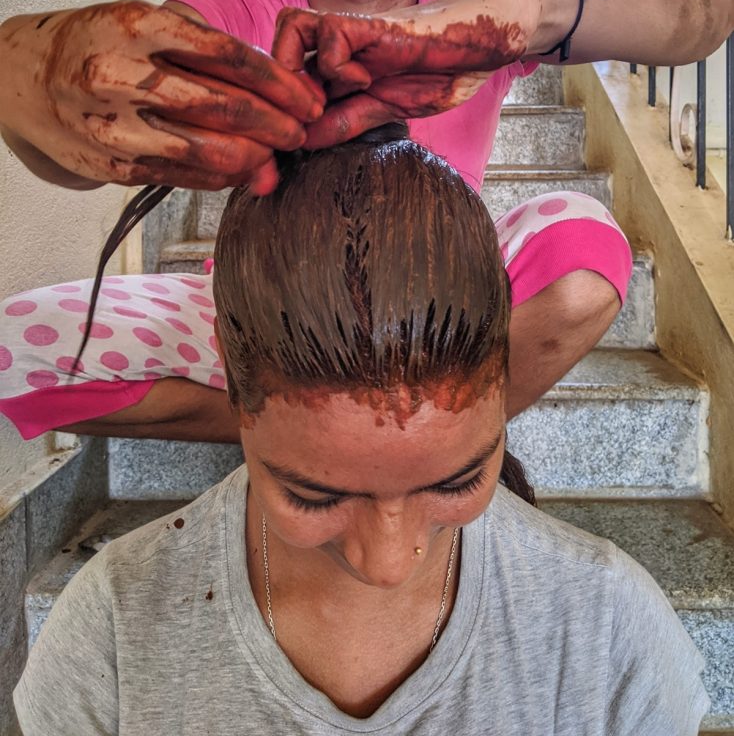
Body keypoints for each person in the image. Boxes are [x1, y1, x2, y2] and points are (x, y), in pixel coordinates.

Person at [0, 0, 732, 442]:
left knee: (585, 244)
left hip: (447, 318)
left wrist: (525, 2)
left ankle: (434, 444)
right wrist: (32, 73)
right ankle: (323, 436)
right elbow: (84, 144)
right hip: (262, 326)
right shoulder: (237, 9)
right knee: (19, 344)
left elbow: (702, 11)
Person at [13, 127, 709, 735]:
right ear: (228, 383)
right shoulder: (111, 631)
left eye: (458, 478)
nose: (388, 564)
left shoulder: (609, 626)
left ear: (505, 381)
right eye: (316, 495)